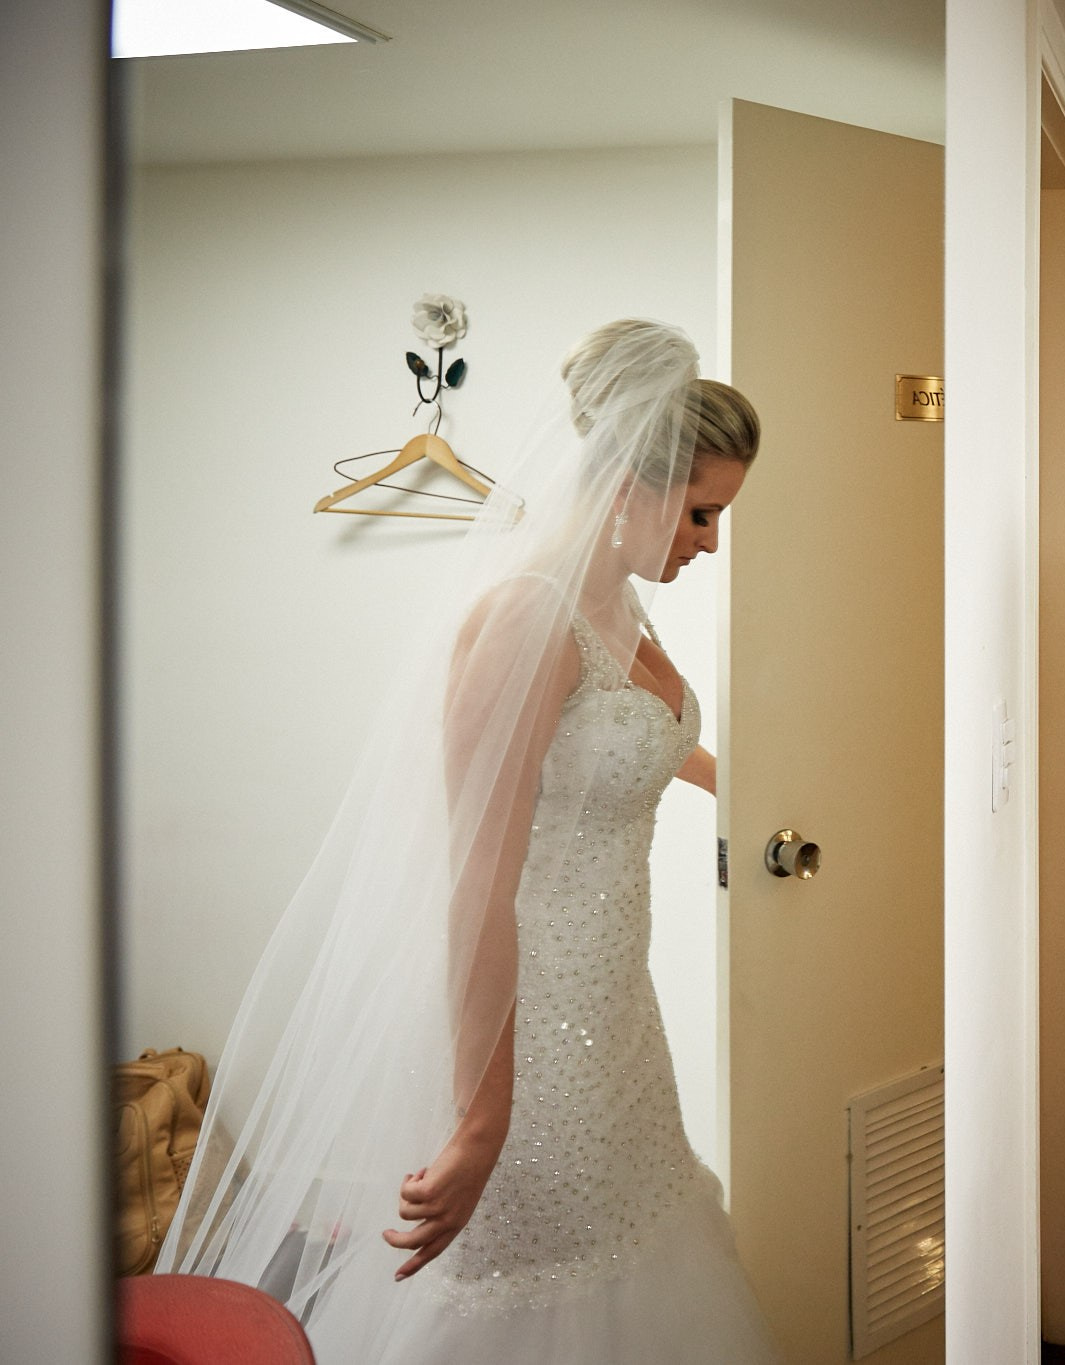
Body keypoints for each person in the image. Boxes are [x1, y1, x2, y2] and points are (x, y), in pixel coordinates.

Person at [160, 319, 782, 1364]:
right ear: (632, 480)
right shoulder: (526, 620)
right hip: (526, 1030)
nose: (711, 541)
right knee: (528, 1288)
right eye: (703, 512)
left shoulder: (616, 600)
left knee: (638, 1244)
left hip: (613, 1017)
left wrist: (770, 793)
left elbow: (624, 742)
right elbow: (476, 886)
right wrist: (480, 1118)